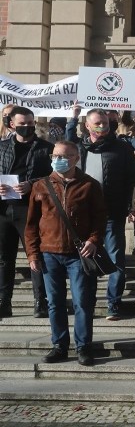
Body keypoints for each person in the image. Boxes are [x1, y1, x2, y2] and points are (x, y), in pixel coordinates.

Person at [24, 141, 106, 366]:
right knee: (54, 302)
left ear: (76, 158)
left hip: (78, 254)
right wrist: (32, 254)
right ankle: (59, 345)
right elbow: (31, 225)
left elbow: (100, 219)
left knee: (82, 301)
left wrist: (93, 240)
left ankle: (83, 347)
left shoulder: (89, 185)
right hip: (49, 252)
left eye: (65, 155)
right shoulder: (41, 186)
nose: (59, 159)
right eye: (56, 155)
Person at [76, 109, 135, 320]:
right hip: (85, 216)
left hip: (113, 213)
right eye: (97, 123)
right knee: (87, 261)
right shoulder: (79, 149)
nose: (102, 126)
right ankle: (88, 302)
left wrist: (132, 205)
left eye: (105, 122)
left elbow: (133, 178)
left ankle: (114, 303)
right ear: (87, 125)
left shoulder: (122, 148)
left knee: (116, 261)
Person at [0, 106, 53, 317]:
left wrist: (32, 184)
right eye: (22, 124)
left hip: (31, 209)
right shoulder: (1, 147)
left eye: (30, 124)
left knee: (35, 255)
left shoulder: (46, 148)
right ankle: (4, 302)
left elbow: (54, 177)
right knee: (4, 258)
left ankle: (40, 301)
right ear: (11, 124)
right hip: (4, 209)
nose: (26, 128)